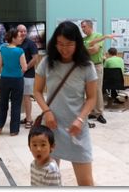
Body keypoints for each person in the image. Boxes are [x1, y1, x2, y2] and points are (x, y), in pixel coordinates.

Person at [34, 21, 97, 186]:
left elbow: (91, 98)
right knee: (47, 180)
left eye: (69, 44)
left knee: (86, 182)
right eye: (60, 44)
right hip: (51, 127)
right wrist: (47, 112)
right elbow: (37, 91)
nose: (64, 48)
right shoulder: (47, 62)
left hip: (76, 128)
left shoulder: (87, 66)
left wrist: (81, 119)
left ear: (77, 43)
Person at [80, 19, 116, 124]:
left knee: (97, 90)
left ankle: (99, 113)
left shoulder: (98, 36)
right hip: (86, 66)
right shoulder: (83, 39)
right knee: (88, 90)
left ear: (90, 26)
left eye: (84, 27)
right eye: (81, 27)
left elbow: (94, 50)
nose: (82, 29)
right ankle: (91, 111)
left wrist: (83, 50)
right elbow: (85, 50)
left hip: (96, 66)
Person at [0, 28, 27, 136]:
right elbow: (25, 67)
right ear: (13, 38)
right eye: (19, 36)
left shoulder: (2, 49)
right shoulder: (20, 51)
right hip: (17, 79)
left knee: (3, 103)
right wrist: (18, 70)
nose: (21, 38)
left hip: (4, 79)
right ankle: (13, 130)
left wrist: (7, 67)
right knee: (16, 104)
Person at [17, 24, 39, 129]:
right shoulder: (15, 43)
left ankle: (29, 119)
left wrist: (25, 68)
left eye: (25, 31)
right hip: (17, 74)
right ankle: (26, 117)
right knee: (20, 98)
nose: (23, 33)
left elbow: (35, 59)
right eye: (21, 31)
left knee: (26, 97)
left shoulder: (30, 43)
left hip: (28, 75)